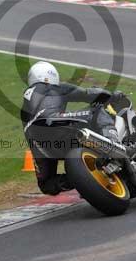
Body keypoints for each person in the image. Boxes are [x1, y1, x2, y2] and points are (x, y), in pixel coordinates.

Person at [20, 61, 122, 196]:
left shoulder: (24, 106)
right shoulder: (53, 87)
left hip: (40, 144)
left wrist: (80, 178)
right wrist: (114, 95)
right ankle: (113, 144)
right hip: (55, 123)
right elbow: (89, 94)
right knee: (96, 110)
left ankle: (79, 178)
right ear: (51, 76)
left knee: (47, 185)